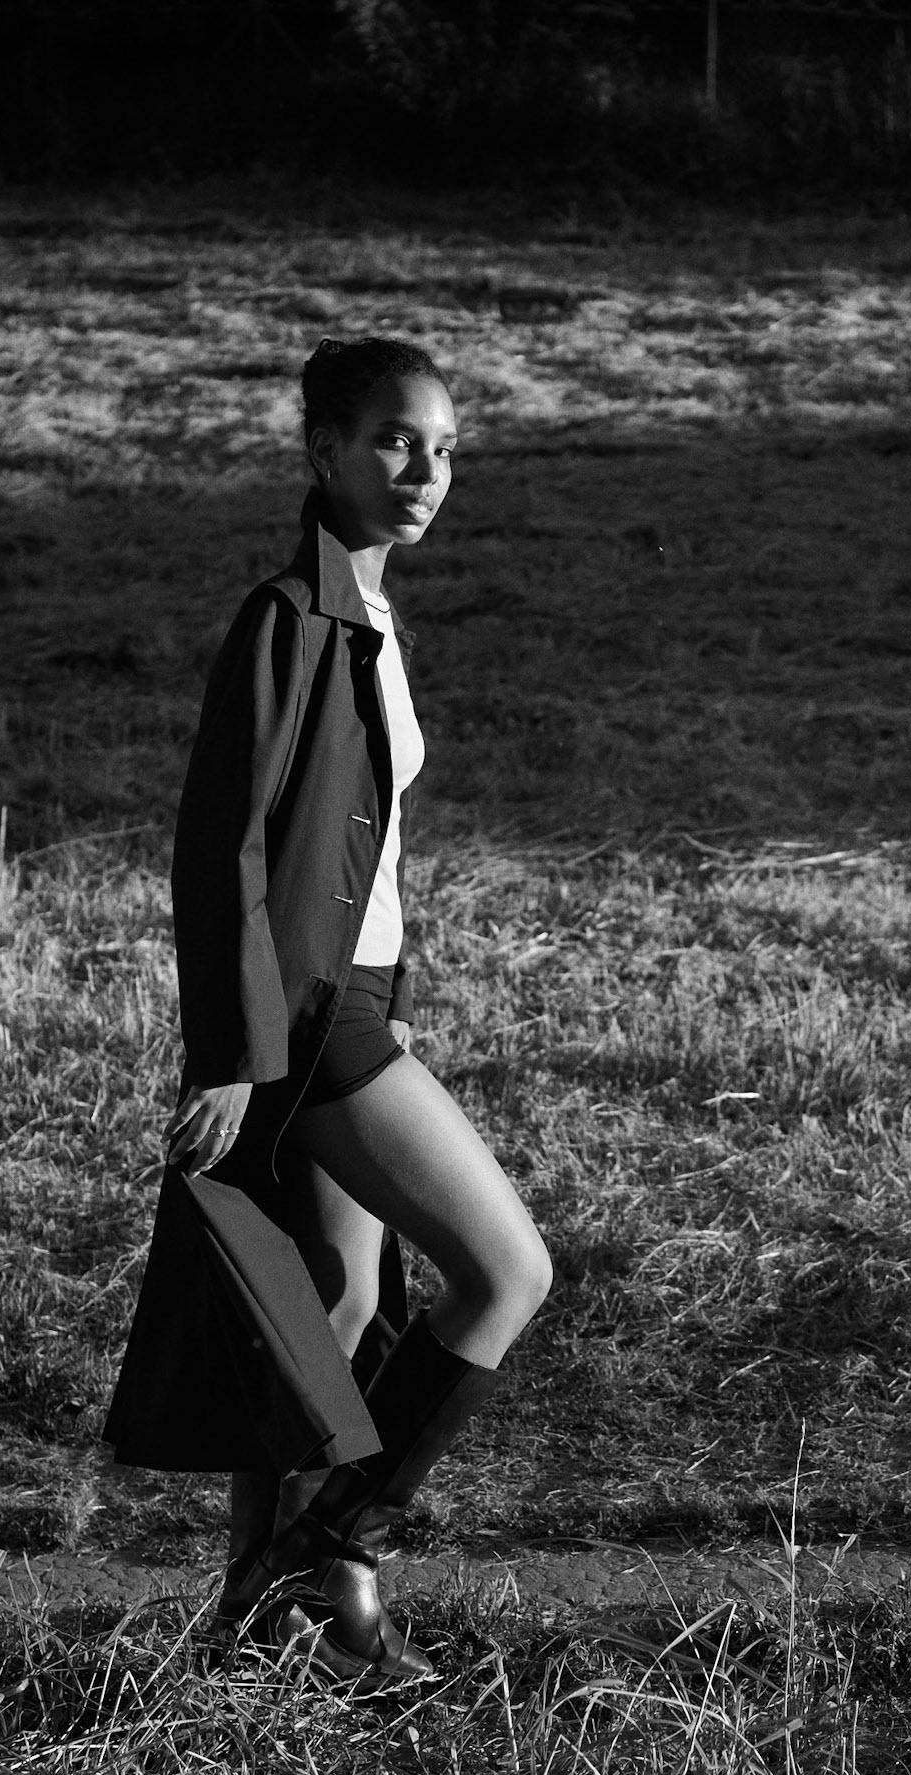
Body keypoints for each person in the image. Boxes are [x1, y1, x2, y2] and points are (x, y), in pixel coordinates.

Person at [103, 335, 552, 1684]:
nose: (425, 471)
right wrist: (234, 1054)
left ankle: (253, 1610)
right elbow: (220, 848)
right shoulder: (290, 617)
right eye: (395, 441)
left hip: (354, 1003)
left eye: (445, 448)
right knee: (507, 1273)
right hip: (303, 1020)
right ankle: (337, 1548)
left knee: (335, 1312)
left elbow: (366, 848)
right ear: (324, 452)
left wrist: (393, 999)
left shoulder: (372, 614)